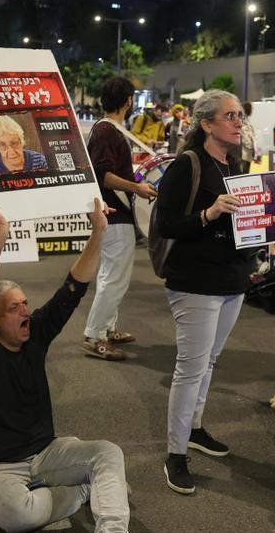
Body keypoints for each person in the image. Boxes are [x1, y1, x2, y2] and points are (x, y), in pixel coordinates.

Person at [0, 199, 130, 533]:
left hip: (46, 453)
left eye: (25, 304)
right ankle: (85, 490)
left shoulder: (34, 333)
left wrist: (99, 232)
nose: (25, 312)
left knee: (108, 453)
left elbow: (73, 289)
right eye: (13, 308)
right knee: (20, 517)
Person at [154, 89, 258, 495]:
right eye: (230, 116)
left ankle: (194, 429)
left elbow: (247, 222)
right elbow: (166, 226)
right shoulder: (187, 164)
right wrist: (208, 213)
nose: (238, 122)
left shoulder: (235, 164)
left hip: (232, 280)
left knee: (210, 361)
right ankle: (175, 454)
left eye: (240, 116)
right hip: (195, 283)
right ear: (207, 124)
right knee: (191, 367)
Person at [81, 77, 156, 361]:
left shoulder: (107, 129)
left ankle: (107, 328)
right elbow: (103, 175)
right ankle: (94, 335)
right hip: (115, 213)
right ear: (128, 101)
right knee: (115, 279)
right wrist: (137, 187)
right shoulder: (106, 131)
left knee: (109, 276)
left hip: (113, 212)